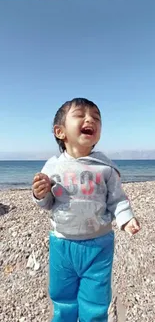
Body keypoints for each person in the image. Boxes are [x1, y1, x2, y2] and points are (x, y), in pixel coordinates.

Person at [32, 98, 140, 322]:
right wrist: (41, 194)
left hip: (99, 243)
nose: (90, 119)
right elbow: (49, 203)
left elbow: (117, 199)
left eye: (96, 117)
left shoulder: (105, 167)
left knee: (96, 299)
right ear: (60, 131)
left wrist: (125, 218)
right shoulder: (52, 166)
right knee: (62, 296)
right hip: (62, 242)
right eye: (80, 114)